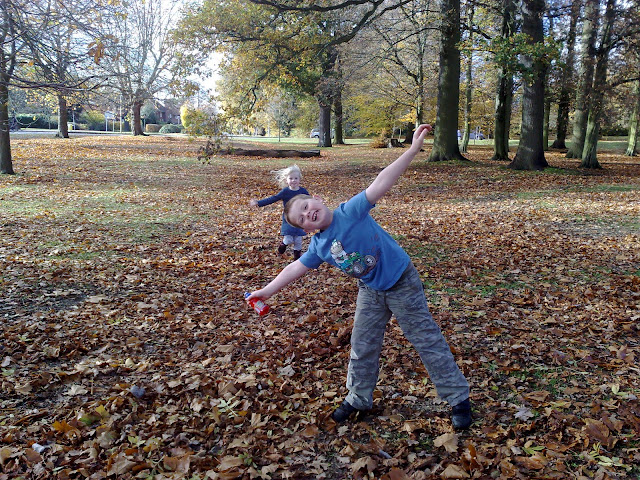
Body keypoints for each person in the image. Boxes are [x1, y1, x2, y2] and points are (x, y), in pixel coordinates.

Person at [246, 125, 472, 430]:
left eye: (306, 206)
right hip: (371, 290)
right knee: (362, 344)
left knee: (425, 339)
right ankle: (358, 398)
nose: (307, 214)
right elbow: (294, 268)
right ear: (305, 230)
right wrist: (266, 291)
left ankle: (458, 397)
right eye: (301, 218)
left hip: (402, 282)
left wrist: (412, 150)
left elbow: (381, 182)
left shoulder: (350, 211)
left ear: (317, 199)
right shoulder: (319, 246)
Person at [249, 165, 309, 260]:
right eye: (291, 178)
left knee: (298, 240)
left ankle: (297, 259)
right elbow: (273, 198)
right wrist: (258, 203)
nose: (293, 180)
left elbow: (310, 202)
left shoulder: (303, 191)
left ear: (299, 179)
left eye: (296, 178)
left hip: (300, 219)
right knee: (289, 239)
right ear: (286, 180)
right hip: (289, 219)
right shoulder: (285, 192)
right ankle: (282, 246)